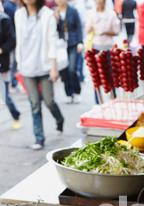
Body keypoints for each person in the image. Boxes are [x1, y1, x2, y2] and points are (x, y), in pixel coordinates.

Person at [14, 0, 64, 150]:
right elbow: (20, 41)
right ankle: (39, 137)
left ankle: (59, 119)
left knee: (49, 101)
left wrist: (54, 68)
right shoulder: (18, 15)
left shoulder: (47, 15)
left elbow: (52, 42)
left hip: (44, 66)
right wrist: (19, 63)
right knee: (34, 103)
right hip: (27, 67)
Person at [54, 0, 83, 103]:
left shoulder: (73, 11)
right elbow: (53, 30)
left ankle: (77, 91)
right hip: (60, 45)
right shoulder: (54, 12)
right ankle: (68, 93)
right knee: (64, 70)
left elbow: (79, 26)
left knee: (72, 69)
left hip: (73, 42)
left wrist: (80, 42)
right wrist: (56, 20)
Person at [0, 4, 21, 129]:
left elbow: (12, 41)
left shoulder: (4, 20)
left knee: (4, 96)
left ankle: (16, 115)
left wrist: (1, 50)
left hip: (2, 63)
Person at [3, 0, 18, 90]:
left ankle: (13, 81)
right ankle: (13, 81)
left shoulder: (12, 5)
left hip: (12, 37)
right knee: (13, 62)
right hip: (11, 37)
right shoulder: (8, 6)